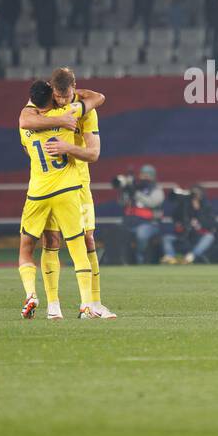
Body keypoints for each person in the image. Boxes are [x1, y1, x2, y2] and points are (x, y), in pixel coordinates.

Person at [18, 68, 113, 318]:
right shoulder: (45, 105)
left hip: (78, 180)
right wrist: (61, 120)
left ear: (74, 88)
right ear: (51, 90)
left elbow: (93, 154)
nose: (60, 100)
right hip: (57, 182)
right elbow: (25, 119)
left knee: (87, 239)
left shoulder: (85, 109)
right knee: (51, 241)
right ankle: (53, 306)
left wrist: (68, 147)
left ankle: (93, 303)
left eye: (65, 95)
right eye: (57, 96)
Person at [120, 164, 166, 264]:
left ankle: (140, 258)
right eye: (142, 174)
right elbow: (122, 203)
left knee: (141, 234)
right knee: (118, 232)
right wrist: (125, 190)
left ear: (153, 176)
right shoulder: (136, 187)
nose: (143, 177)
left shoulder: (156, 189)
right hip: (130, 222)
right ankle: (121, 259)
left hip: (150, 224)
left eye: (147, 175)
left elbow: (152, 202)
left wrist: (135, 194)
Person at [162, 185, 218, 264]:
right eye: (194, 195)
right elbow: (175, 215)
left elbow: (211, 224)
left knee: (209, 237)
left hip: (198, 237)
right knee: (167, 238)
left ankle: (191, 256)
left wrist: (198, 216)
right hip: (185, 237)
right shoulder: (185, 206)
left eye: (197, 195)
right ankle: (170, 257)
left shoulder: (207, 207)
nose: (195, 198)